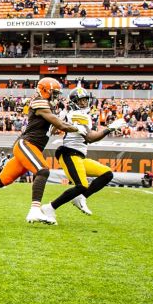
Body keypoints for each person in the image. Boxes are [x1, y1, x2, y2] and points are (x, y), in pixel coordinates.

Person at [0, 77, 85, 224]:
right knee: (43, 171)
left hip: (33, 147)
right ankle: (34, 210)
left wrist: (63, 119)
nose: (56, 96)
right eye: (54, 93)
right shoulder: (40, 101)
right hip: (26, 144)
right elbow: (59, 124)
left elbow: (53, 128)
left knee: (0, 181)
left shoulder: (47, 106)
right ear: (45, 91)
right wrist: (75, 127)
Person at [45, 87, 125, 222]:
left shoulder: (77, 114)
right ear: (74, 102)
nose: (84, 103)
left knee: (107, 174)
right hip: (69, 153)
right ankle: (50, 207)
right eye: (80, 101)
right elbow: (90, 138)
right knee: (81, 185)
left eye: (85, 100)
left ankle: (81, 197)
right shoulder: (77, 114)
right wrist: (109, 129)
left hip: (79, 156)